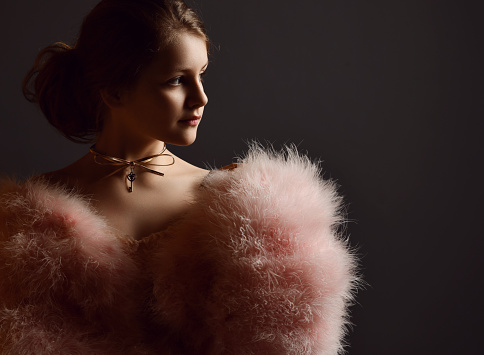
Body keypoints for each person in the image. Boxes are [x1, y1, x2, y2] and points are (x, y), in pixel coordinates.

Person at [0, 0, 359, 354]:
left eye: (201, 74)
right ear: (114, 91)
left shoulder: (250, 212)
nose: (200, 97)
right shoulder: (22, 220)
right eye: (176, 80)